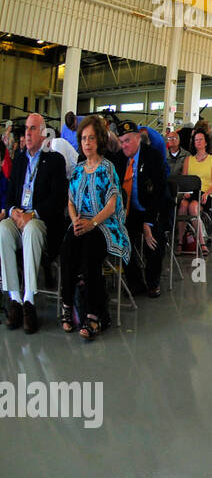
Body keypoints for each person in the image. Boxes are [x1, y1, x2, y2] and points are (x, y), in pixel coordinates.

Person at [57, 115, 129, 340]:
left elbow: (112, 204)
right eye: (83, 139)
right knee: (67, 251)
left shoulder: (107, 168)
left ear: (99, 141)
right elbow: (70, 200)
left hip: (104, 224)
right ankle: (67, 305)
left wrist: (92, 222)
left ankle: (95, 314)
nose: (87, 143)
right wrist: (75, 220)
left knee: (89, 256)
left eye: (91, 138)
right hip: (81, 221)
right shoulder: (78, 170)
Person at [2, 114, 69, 333]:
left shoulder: (55, 160)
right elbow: (10, 195)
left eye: (32, 129)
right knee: (2, 229)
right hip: (19, 217)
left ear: (42, 133)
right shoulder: (21, 160)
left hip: (42, 221)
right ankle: (14, 299)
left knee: (31, 228)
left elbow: (58, 198)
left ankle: (29, 299)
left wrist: (33, 214)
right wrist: (13, 211)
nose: (27, 134)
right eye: (26, 130)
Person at [113, 121, 167, 298]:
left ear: (138, 138)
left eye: (127, 140)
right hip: (129, 212)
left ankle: (153, 282)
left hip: (152, 209)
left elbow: (159, 192)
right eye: (121, 141)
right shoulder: (119, 159)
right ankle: (135, 282)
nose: (124, 145)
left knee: (154, 239)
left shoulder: (153, 157)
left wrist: (148, 221)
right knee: (121, 238)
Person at [179, 128, 212, 256]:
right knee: (183, 206)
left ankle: (202, 242)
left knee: (193, 207)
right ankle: (180, 241)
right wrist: (184, 192)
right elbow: (183, 180)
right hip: (190, 192)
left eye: (201, 140)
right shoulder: (189, 160)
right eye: (196, 140)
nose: (198, 142)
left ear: (206, 142)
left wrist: (206, 193)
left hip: (204, 193)